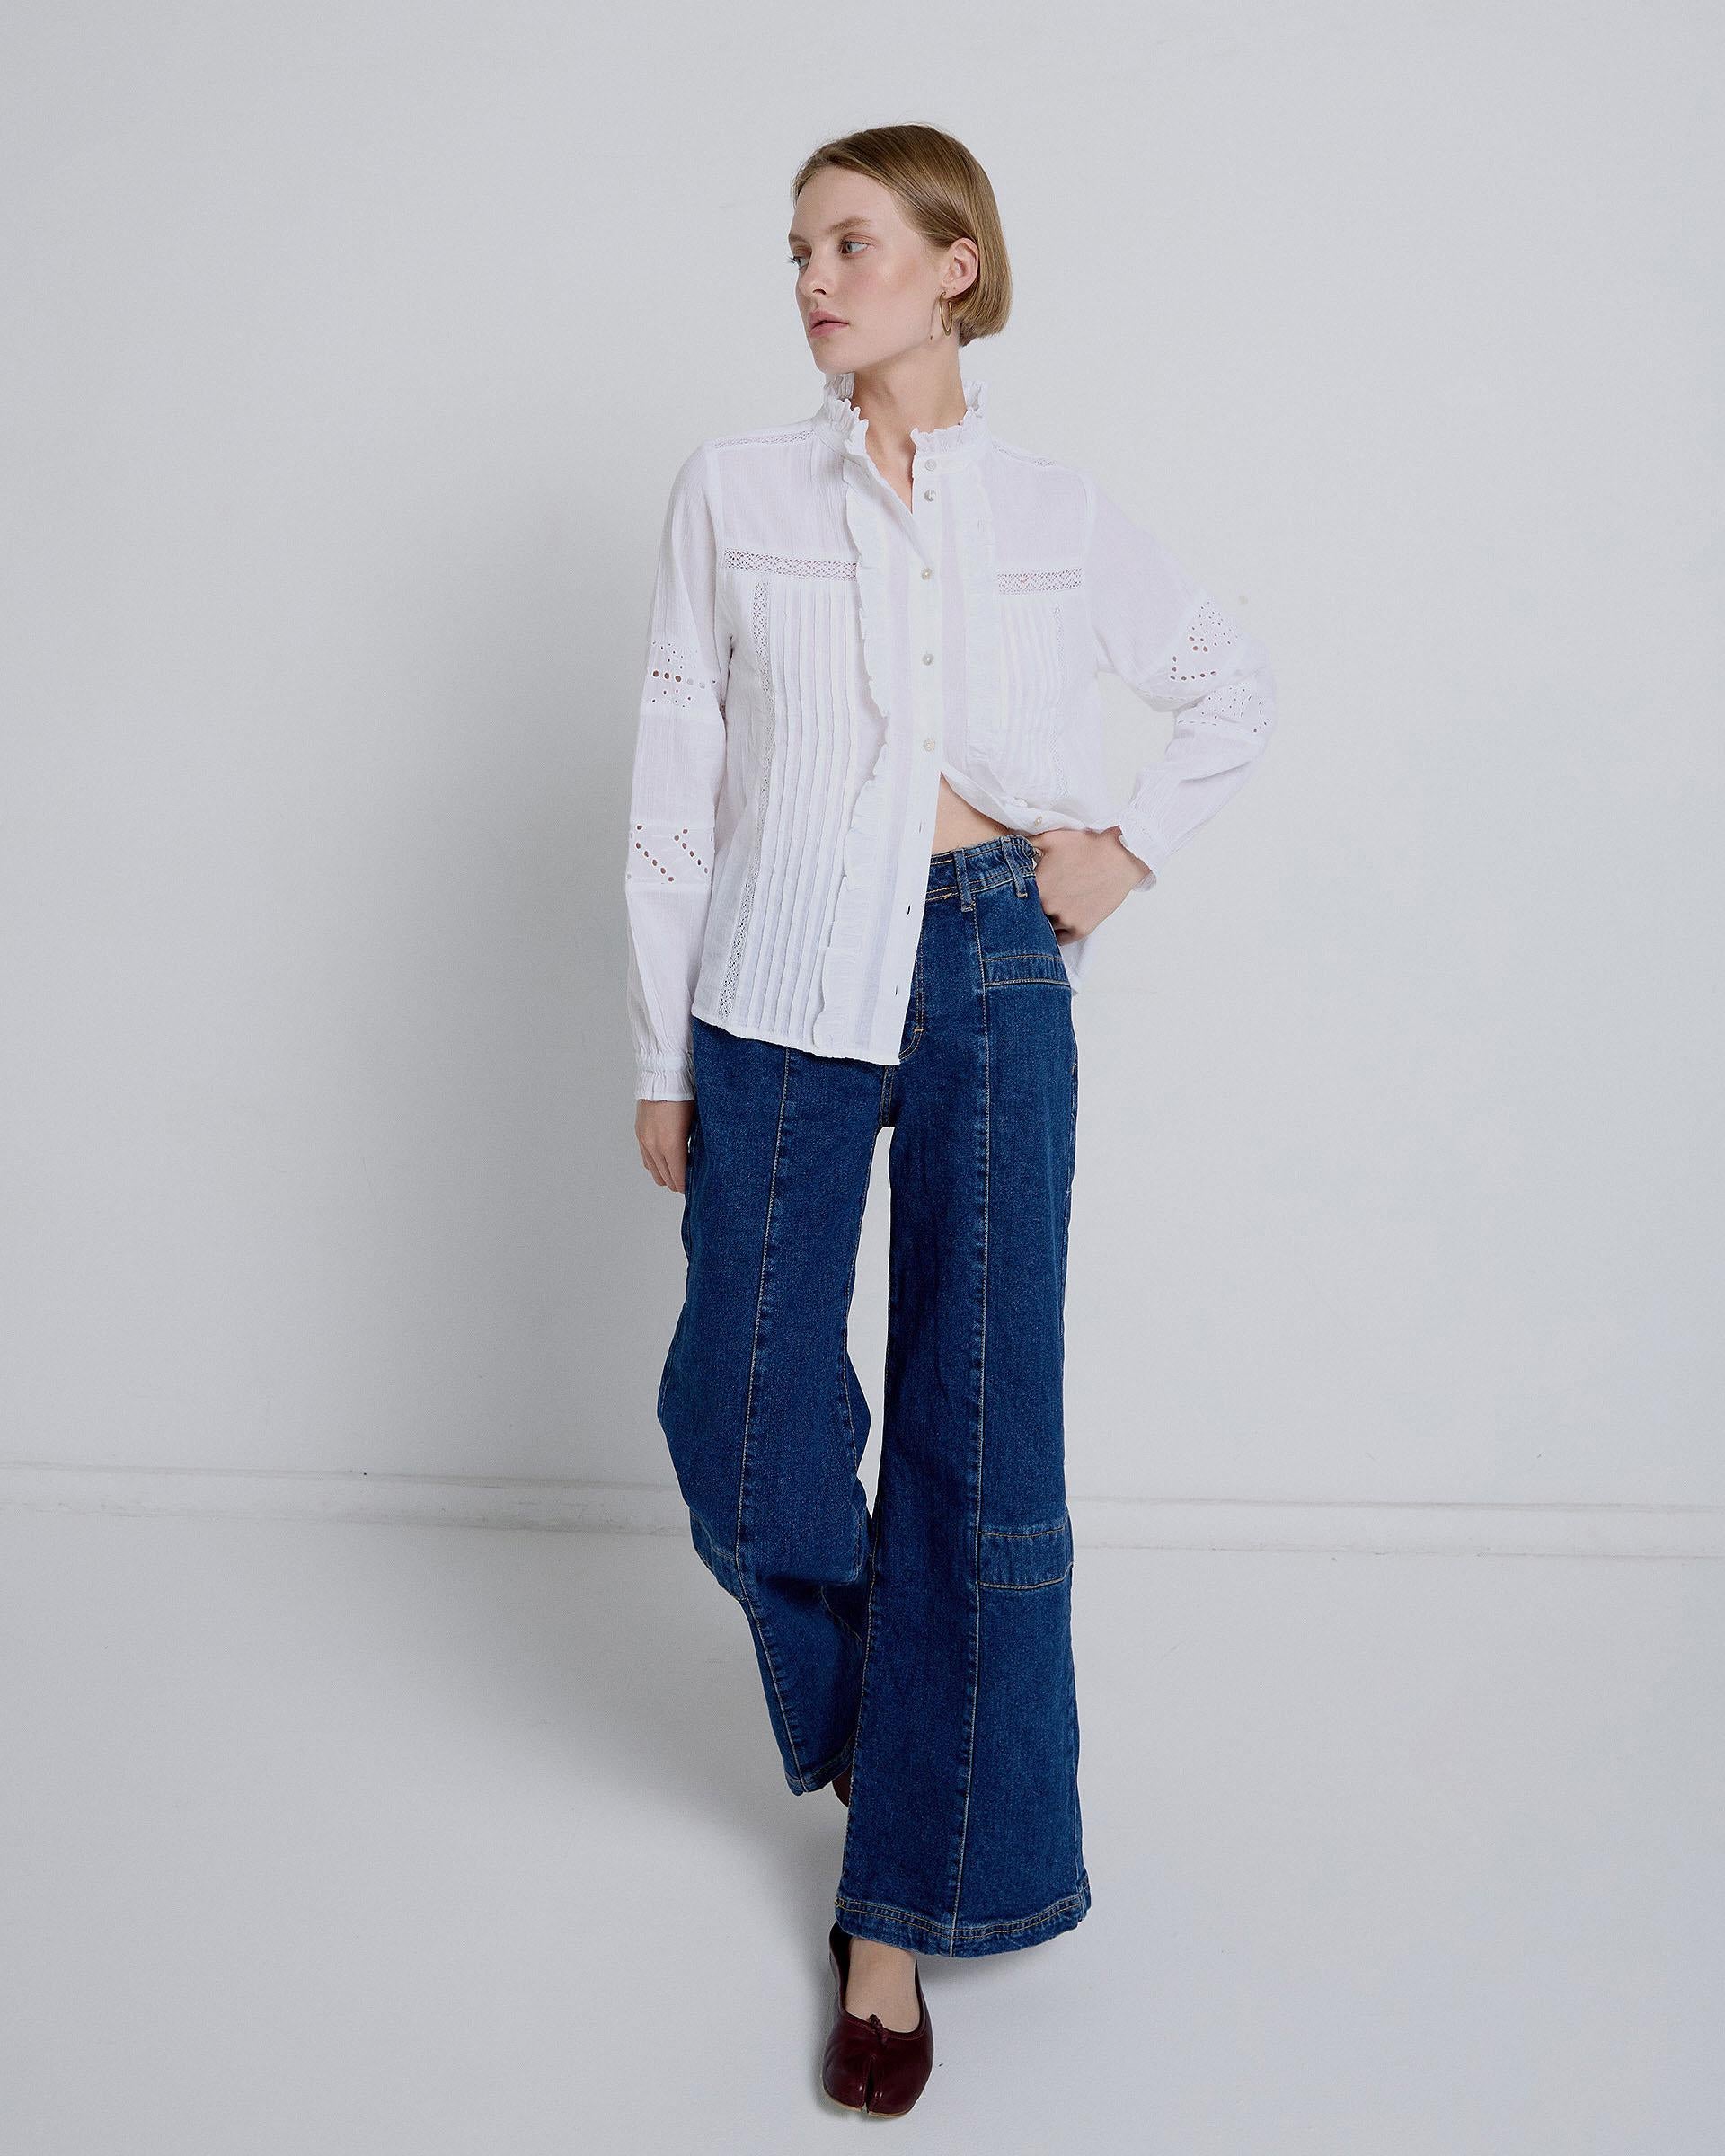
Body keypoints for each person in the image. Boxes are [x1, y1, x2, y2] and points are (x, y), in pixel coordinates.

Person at [624, 122, 1277, 2117]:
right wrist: (662, 1053)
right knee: (740, 1421)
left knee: (978, 1433)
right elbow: (675, 772)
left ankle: (892, 1920)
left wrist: (1122, 855)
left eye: (850, 243)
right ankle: (895, 1733)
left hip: (995, 962)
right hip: (774, 979)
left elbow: (1229, 687)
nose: (813, 279)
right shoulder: (736, 490)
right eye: (797, 250)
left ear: (953, 266)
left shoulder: (1058, 512)